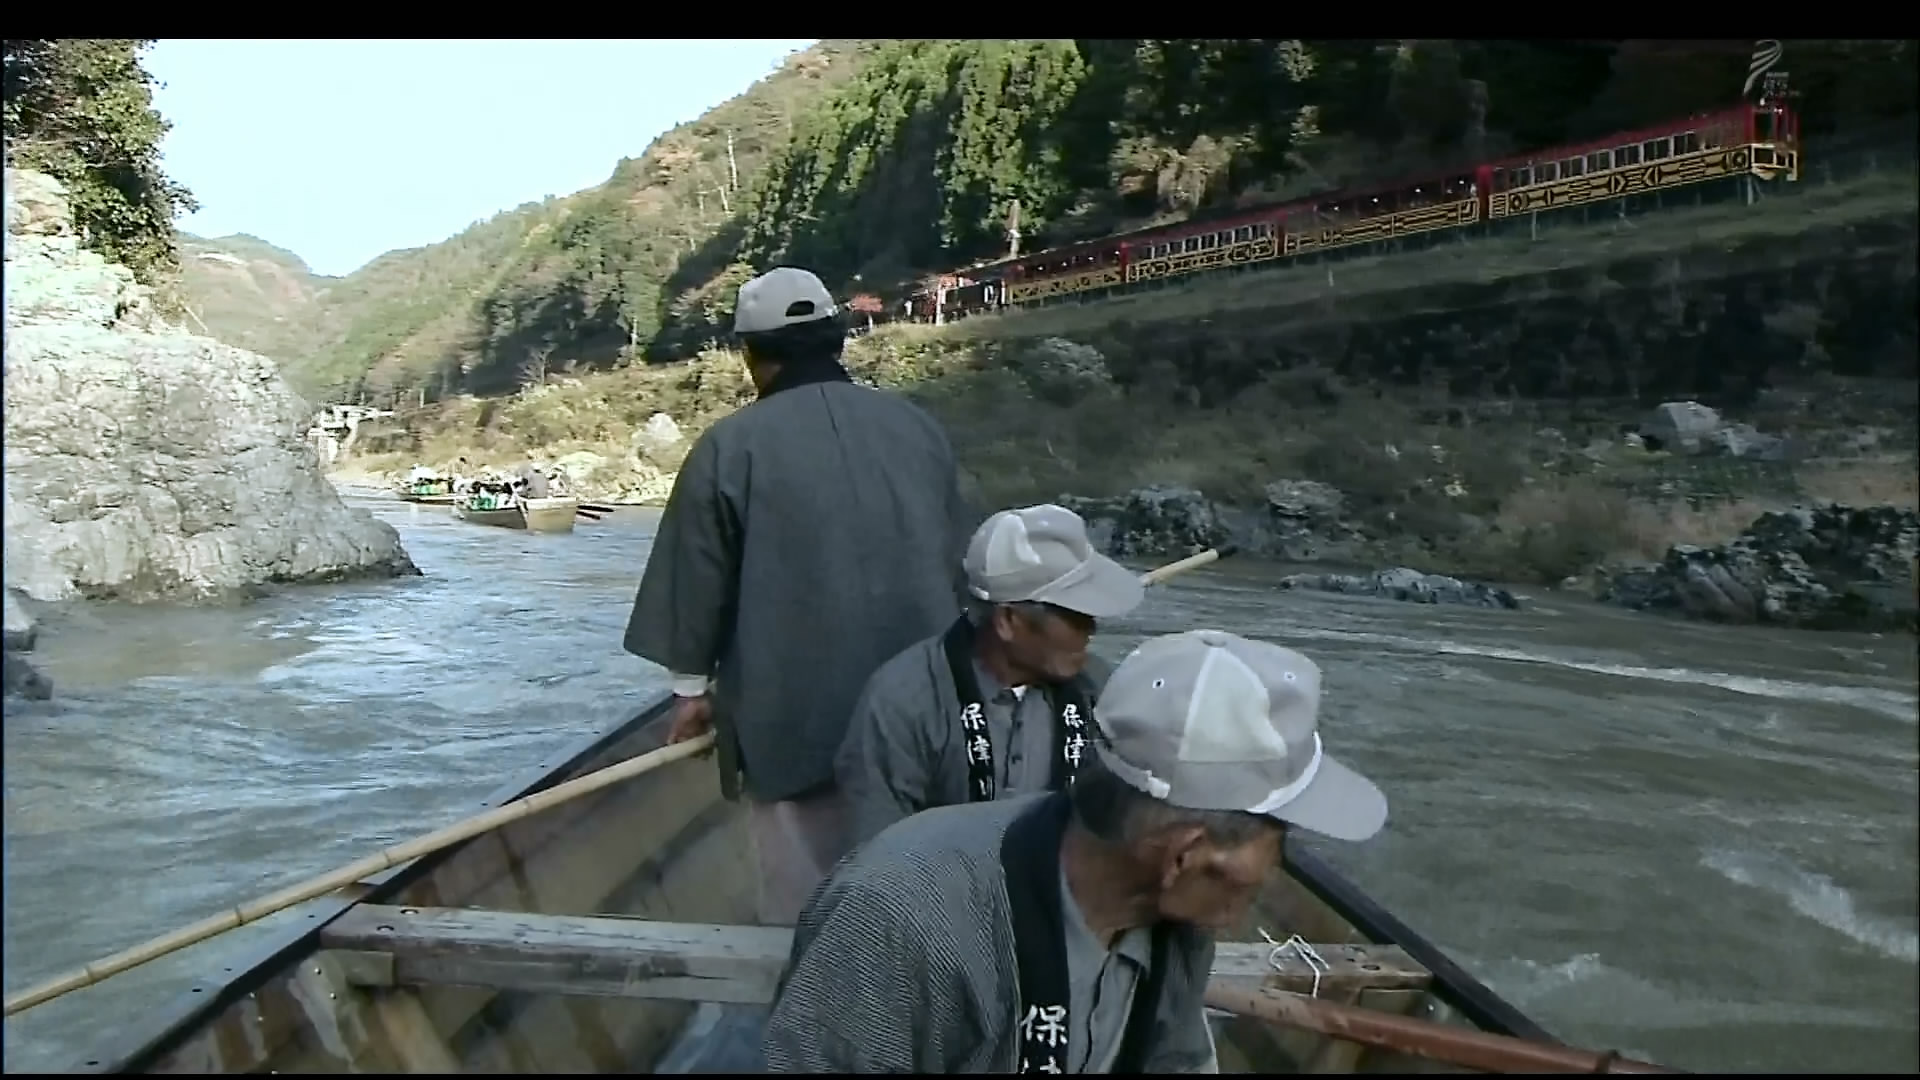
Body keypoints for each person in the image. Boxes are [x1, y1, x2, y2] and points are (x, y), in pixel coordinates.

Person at [764, 629, 1389, 1074]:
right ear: (1184, 854)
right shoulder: (898, 916)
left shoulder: (1173, 917)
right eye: (1275, 838)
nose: (1275, 867)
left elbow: (1173, 1057)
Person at [622, 265, 975, 926]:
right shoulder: (916, 429)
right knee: (924, 891)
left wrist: (692, 694)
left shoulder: (730, 448)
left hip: (790, 726)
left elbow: (696, 580)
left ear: (752, 356)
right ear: (837, 341)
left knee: (806, 911)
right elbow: (964, 567)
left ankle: (818, 1013)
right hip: (927, 714)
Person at [835, 503, 1144, 847]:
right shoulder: (904, 703)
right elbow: (876, 855)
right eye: (1076, 615)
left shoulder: (1096, 690)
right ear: (1008, 621)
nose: (1091, 629)